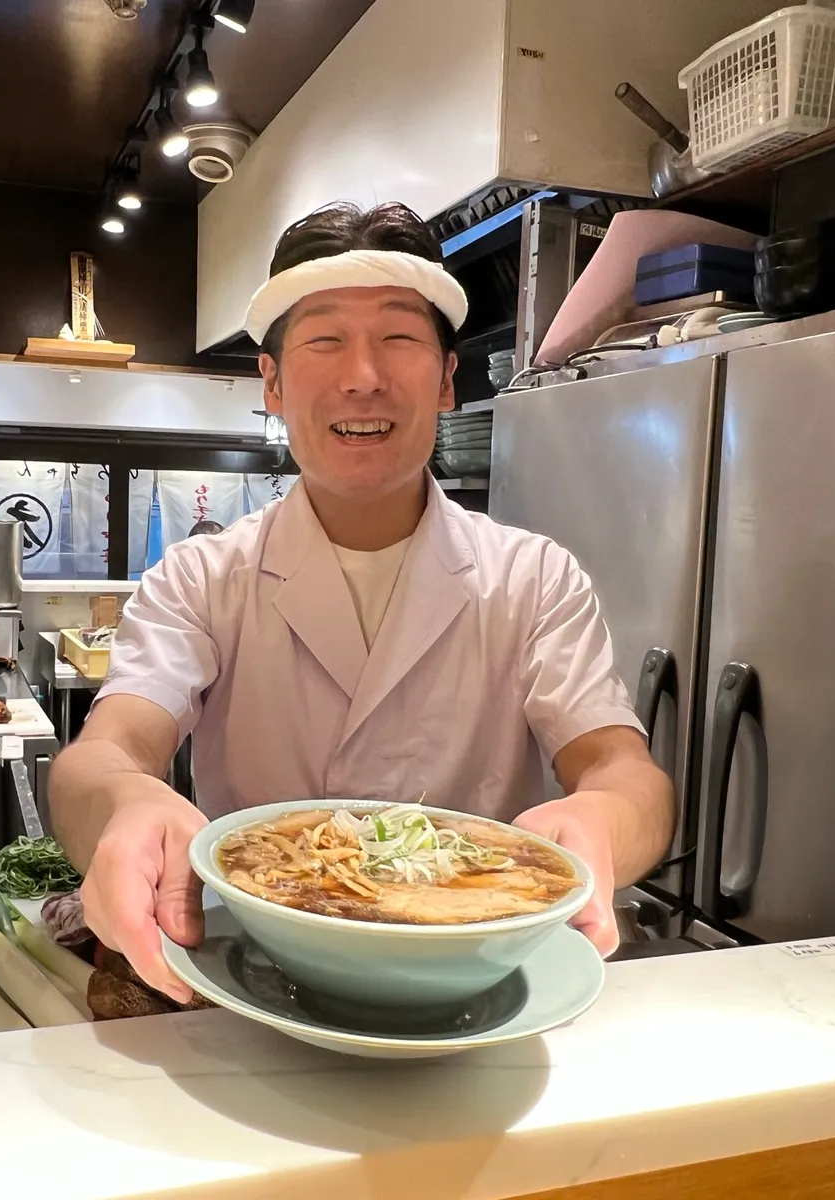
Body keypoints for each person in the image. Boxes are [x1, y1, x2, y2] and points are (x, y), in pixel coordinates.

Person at [51, 201, 673, 1002]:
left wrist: (599, 825)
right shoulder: (202, 578)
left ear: (448, 379)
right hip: (254, 986)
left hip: (470, 991)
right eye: (325, 341)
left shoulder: (533, 579)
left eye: (398, 339)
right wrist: (127, 802)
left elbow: (628, 775)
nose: (364, 377)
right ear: (270, 383)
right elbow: (99, 756)